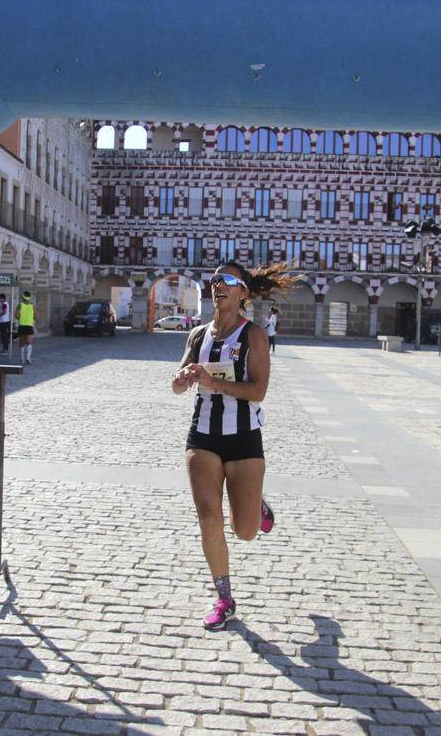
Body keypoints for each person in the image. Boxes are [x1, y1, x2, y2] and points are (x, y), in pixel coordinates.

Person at [171, 260, 301, 630]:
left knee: (244, 531)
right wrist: (182, 380)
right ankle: (224, 597)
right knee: (208, 519)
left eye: (228, 280)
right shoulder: (197, 335)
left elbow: (258, 390)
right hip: (203, 436)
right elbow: (179, 383)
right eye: (215, 279)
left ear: (244, 292)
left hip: (244, 439)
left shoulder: (254, 335)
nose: (219, 285)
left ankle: (255, 502)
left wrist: (213, 382)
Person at [15, 291, 36, 364]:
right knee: (29, 343)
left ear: (23, 297)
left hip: (22, 326)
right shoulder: (32, 306)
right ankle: (28, 357)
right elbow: (36, 316)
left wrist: (21, 318)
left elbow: (16, 316)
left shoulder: (20, 306)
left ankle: (22, 358)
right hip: (29, 326)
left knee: (21, 342)